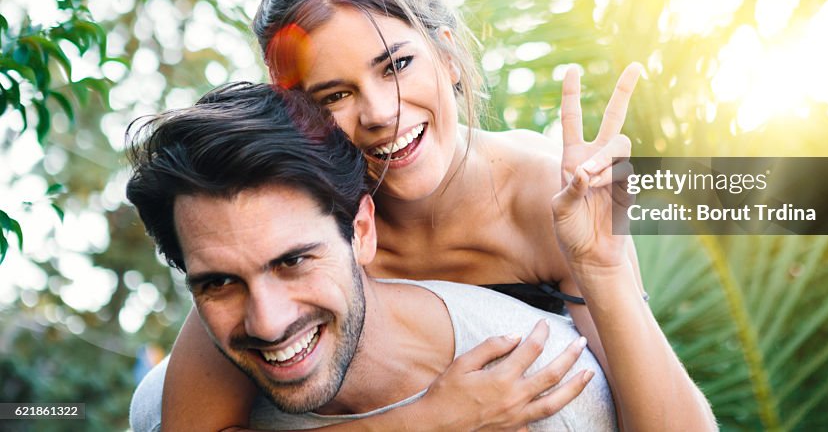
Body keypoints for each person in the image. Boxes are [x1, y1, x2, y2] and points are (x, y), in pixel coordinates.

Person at [159, 0, 716, 431]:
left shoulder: (548, 190)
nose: (380, 112)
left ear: (447, 56)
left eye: (396, 65)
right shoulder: (307, 222)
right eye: (334, 95)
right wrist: (431, 420)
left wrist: (604, 266)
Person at [127, 83, 613, 430]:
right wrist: (427, 421)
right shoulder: (160, 407)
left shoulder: (547, 388)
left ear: (362, 230)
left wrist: (603, 267)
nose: (268, 323)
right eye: (219, 283)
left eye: (293, 261)